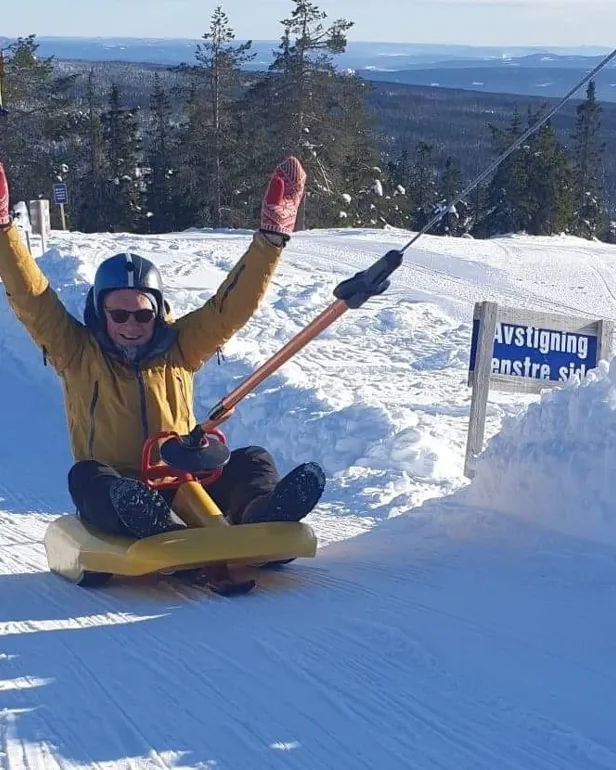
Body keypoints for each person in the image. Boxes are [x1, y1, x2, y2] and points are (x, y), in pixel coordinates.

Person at [0, 157, 326, 539]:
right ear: (101, 313)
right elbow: (32, 297)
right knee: (86, 476)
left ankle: (263, 513)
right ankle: (147, 518)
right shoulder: (76, 352)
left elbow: (230, 308)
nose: (131, 325)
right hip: (117, 488)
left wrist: (272, 238)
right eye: (118, 315)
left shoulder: (180, 347)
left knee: (252, 460)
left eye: (142, 315)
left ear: (157, 313)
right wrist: (3, 228)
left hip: (184, 479)